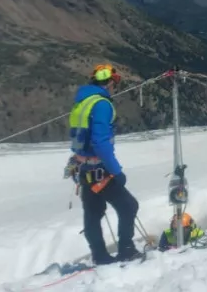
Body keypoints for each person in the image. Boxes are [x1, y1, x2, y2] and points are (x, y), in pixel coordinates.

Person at [64, 63, 142, 265]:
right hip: (100, 168)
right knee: (128, 206)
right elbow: (100, 142)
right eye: (114, 82)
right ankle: (126, 250)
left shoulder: (82, 102)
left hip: (83, 166)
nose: (115, 86)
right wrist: (116, 171)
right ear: (109, 82)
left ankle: (99, 255)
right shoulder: (102, 105)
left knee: (93, 212)